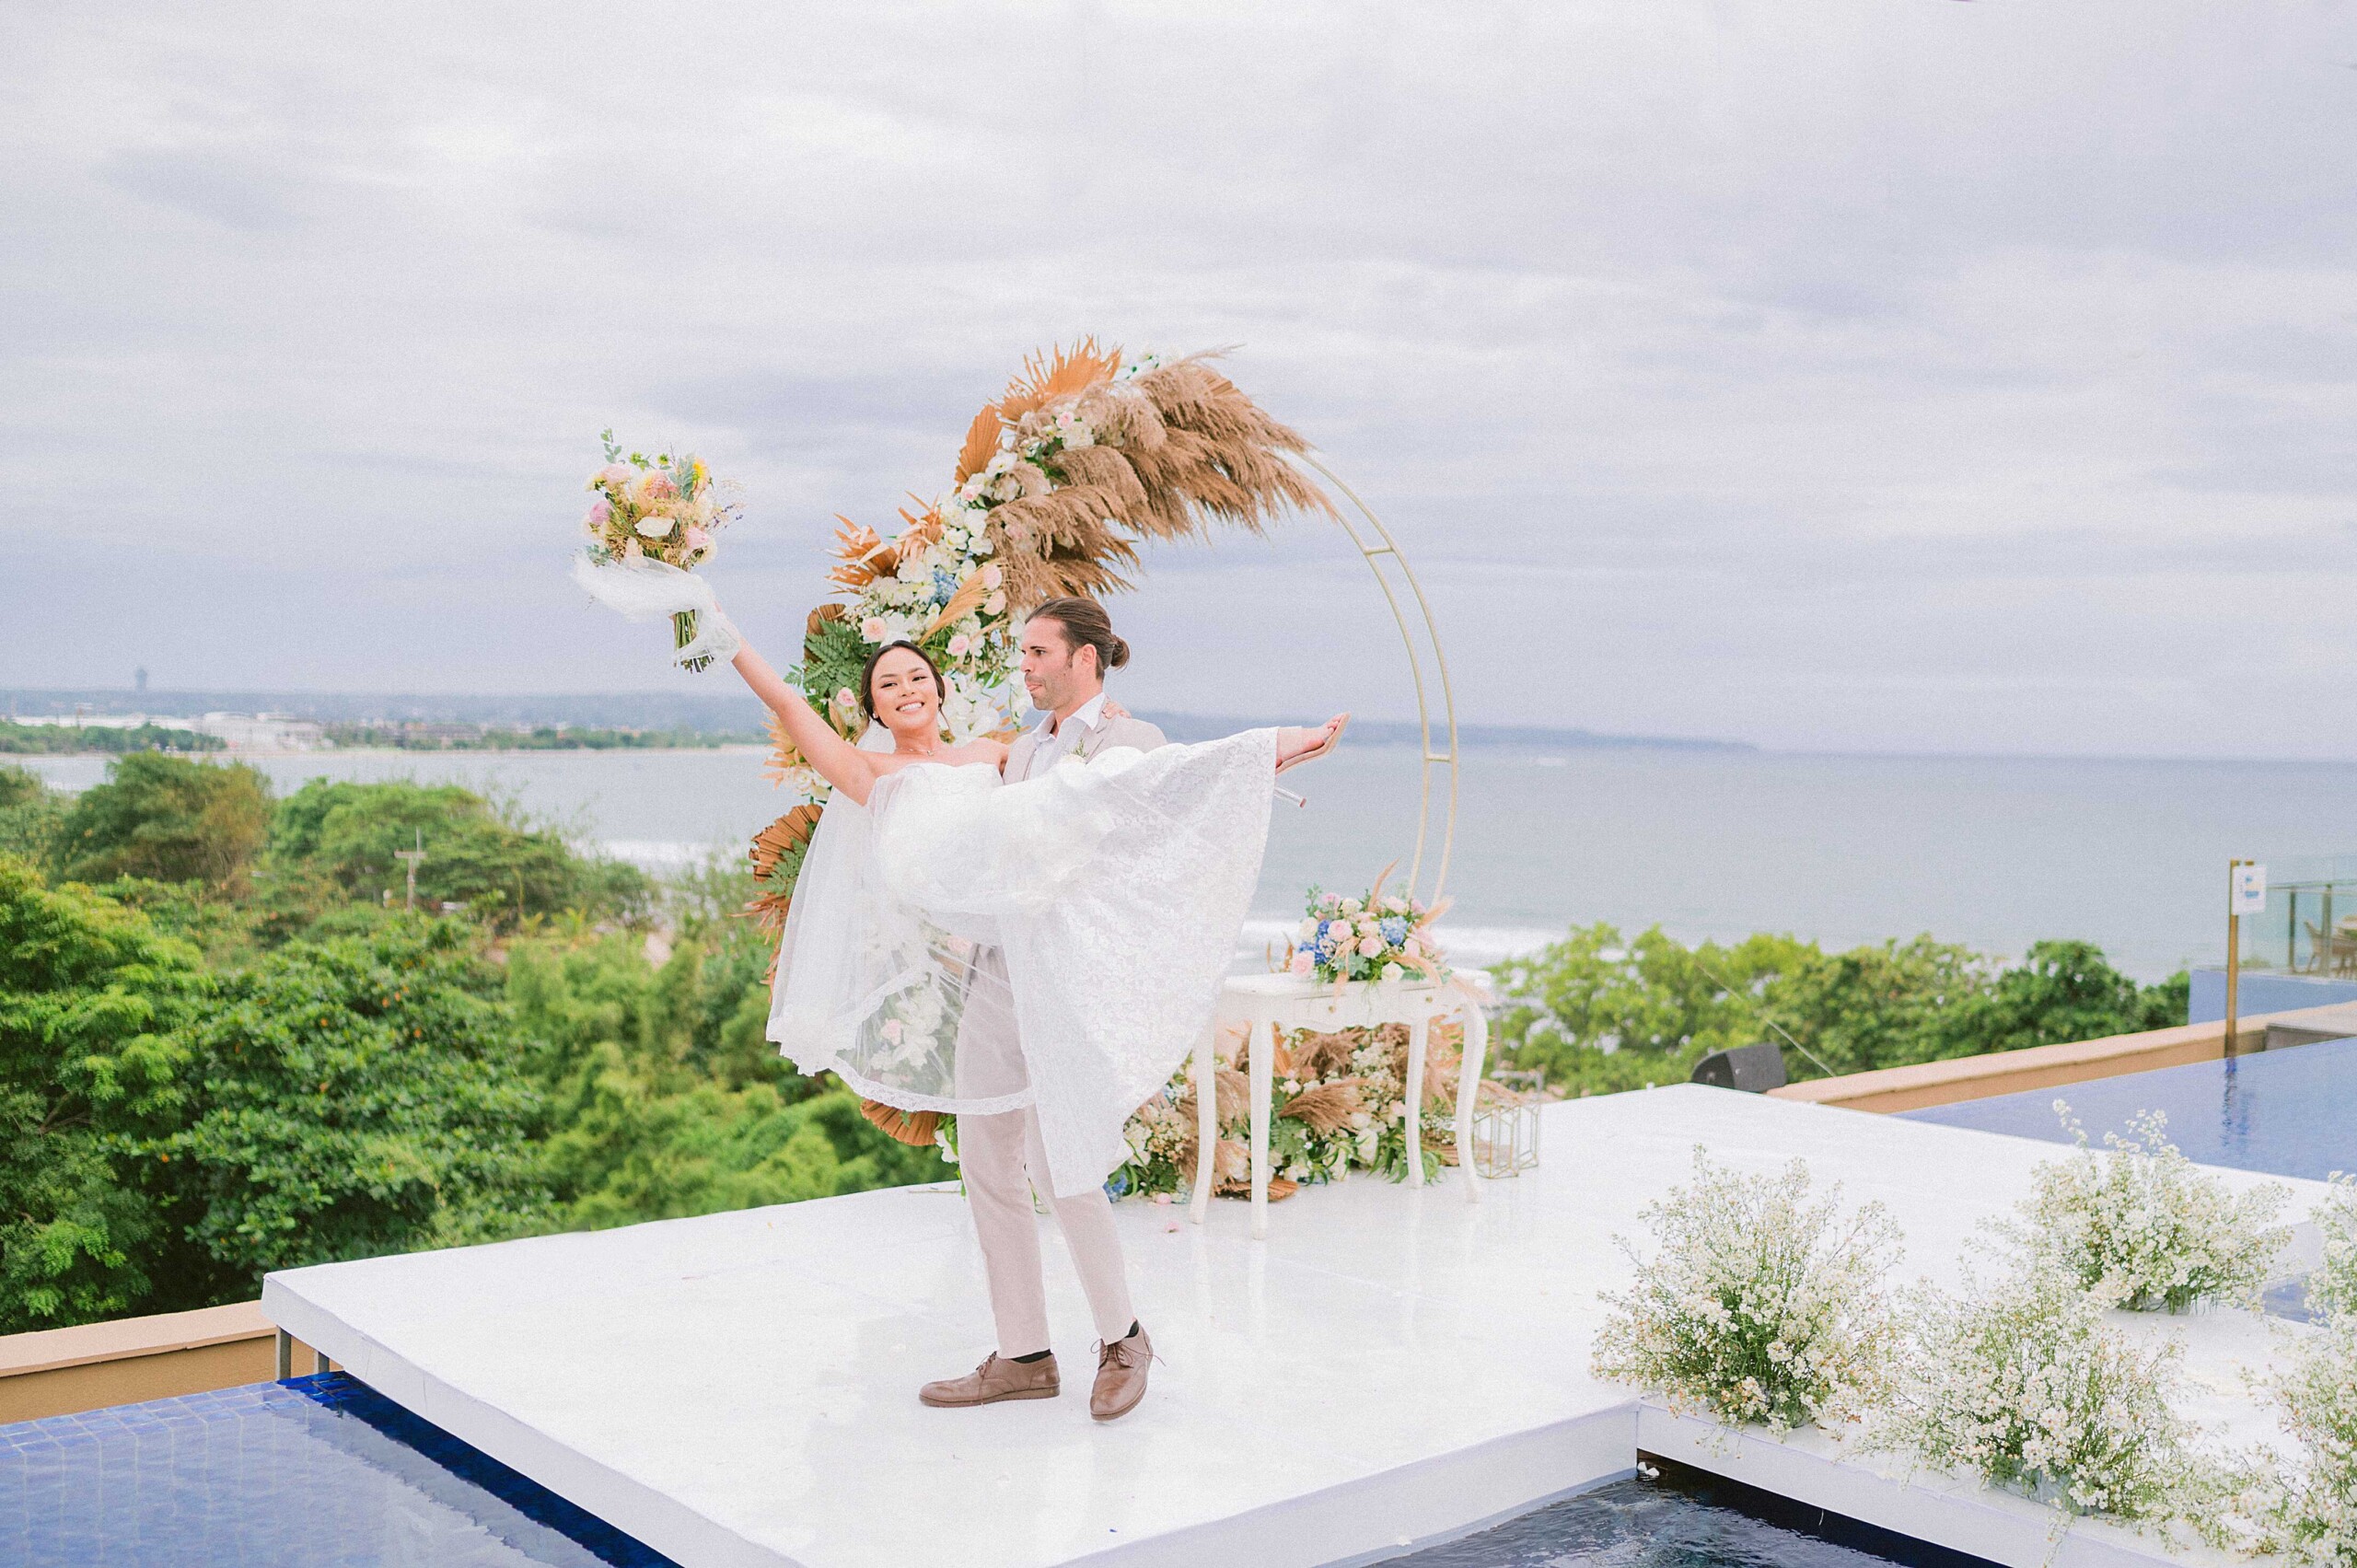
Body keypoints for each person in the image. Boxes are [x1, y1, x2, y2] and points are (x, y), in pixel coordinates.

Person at [708, 592, 1343, 1422]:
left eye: (1038, 653)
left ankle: (1123, 1337)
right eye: (887, 683)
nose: (1025, 666)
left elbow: (1156, 795)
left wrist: (1260, 759)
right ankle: (1023, 1353)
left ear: (1083, 657)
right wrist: (721, 633)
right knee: (986, 1161)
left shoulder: (1081, 745)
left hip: (1062, 978)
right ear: (872, 708)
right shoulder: (1007, 754)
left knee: (1058, 1160)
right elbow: (811, 724)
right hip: (993, 974)